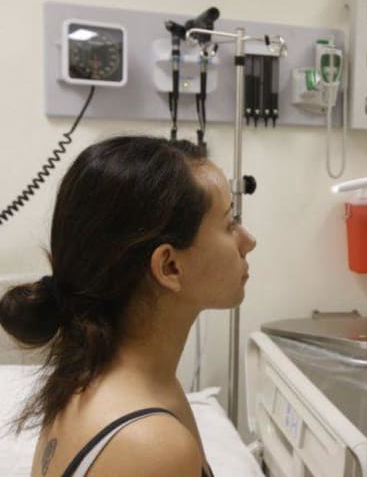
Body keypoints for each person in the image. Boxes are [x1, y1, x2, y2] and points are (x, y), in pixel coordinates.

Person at [0, 136, 256, 477]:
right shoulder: (152, 445)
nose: (249, 241)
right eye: (229, 224)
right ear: (169, 267)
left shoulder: (97, 376)